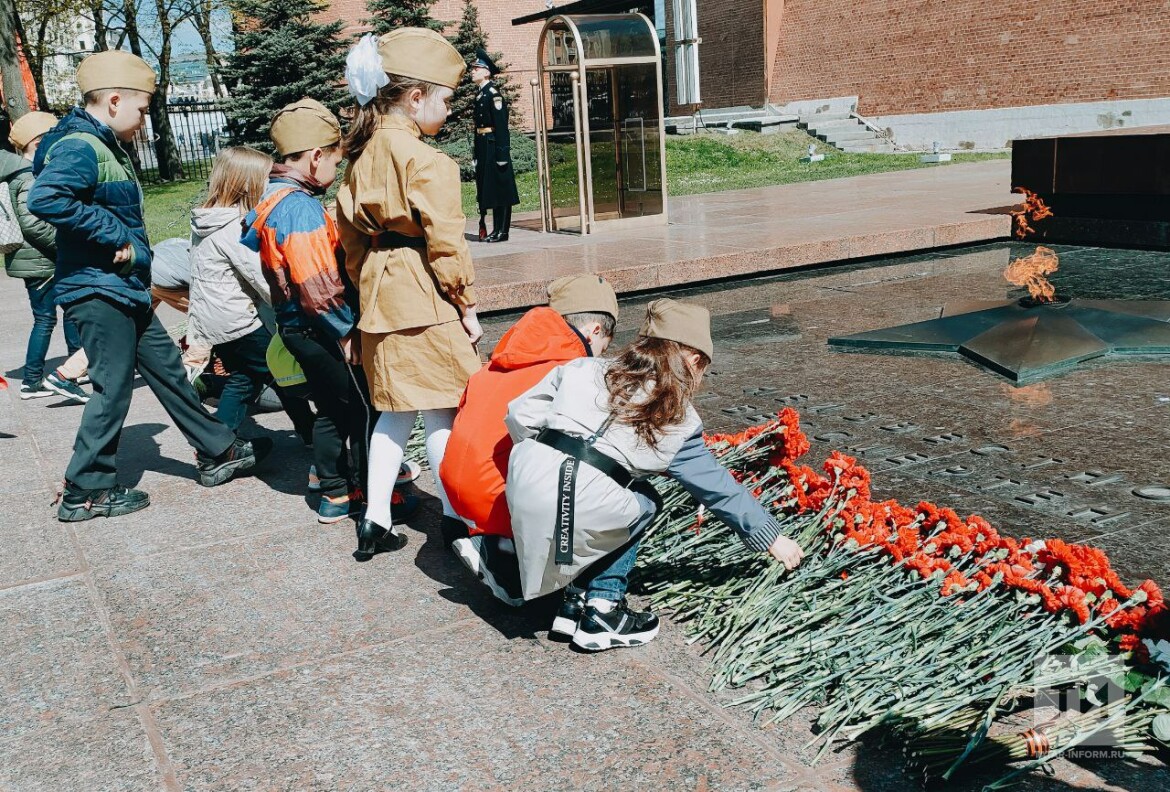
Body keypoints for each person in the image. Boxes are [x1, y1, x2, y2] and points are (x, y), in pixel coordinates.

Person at [28, 50, 270, 522]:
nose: (144, 120)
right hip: (98, 290)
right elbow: (46, 198)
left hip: (122, 287)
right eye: (141, 109)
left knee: (168, 371)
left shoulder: (97, 143)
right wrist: (113, 234)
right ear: (115, 100)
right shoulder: (81, 144)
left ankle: (218, 449)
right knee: (112, 389)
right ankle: (87, 490)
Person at [505, 299, 805, 652]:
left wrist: (545, 465)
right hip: (580, 498)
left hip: (525, 474)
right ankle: (604, 610)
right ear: (693, 360)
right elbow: (718, 489)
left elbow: (519, 414)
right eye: (703, 368)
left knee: (602, 495)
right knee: (643, 500)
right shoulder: (676, 417)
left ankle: (572, 602)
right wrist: (771, 538)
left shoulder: (581, 368)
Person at [337, 30, 482, 561]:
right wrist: (466, 306)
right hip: (424, 294)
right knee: (445, 411)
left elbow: (350, 246)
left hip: (378, 294)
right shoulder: (426, 160)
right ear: (415, 97)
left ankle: (374, 518)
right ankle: (456, 517)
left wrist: (366, 290)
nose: (447, 110)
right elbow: (446, 245)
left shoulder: (358, 158)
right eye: (445, 99)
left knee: (393, 412)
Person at [243, 97, 416, 526]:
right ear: (316, 156)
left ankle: (333, 491)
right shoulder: (299, 207)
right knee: (360, 409)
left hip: (296, 329)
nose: (335, 172)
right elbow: (316, 285)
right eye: (334, 162)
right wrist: (345, 332)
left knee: (332, 410)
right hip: (321, 329)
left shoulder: (273, 198)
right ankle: (359, 490)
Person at [439, 274, 618, 604]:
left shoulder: (505, 356)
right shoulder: (569, 369)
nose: (599, 356)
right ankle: (505, 556)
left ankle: (497, 546)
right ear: (595, 330)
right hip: (494, 503)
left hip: (456, 494)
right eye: (603, 347)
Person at [190, 145, 299, 433]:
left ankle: (219, 441)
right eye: (265, 180)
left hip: (215, 321)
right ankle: (310, 430)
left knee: (245, 377)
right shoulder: (231, 228)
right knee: (283, 370)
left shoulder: (208, 219)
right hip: (238, 322)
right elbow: (262, 277)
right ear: (248, 184)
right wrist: (293, 304)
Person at [1, 111, 90, 404]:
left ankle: (73, 369)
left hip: (41, 261)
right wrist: (63, 246)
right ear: (38, 143)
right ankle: (32, 381)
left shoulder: (26, 172)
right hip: (41, 262)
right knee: (44, 320)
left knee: (67, 312)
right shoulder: (26, 176)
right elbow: (34, 224)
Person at [470, 48, 519, 243]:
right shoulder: (481, 95)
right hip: (484, 146)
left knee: (501, 189)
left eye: (476, 68)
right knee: (490, 188)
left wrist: (502, 155)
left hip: (493, 146)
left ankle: (502, 231)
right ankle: (495, 230)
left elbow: (501, 127)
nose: (472, 71)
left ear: (487, 72)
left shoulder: (493, 95)